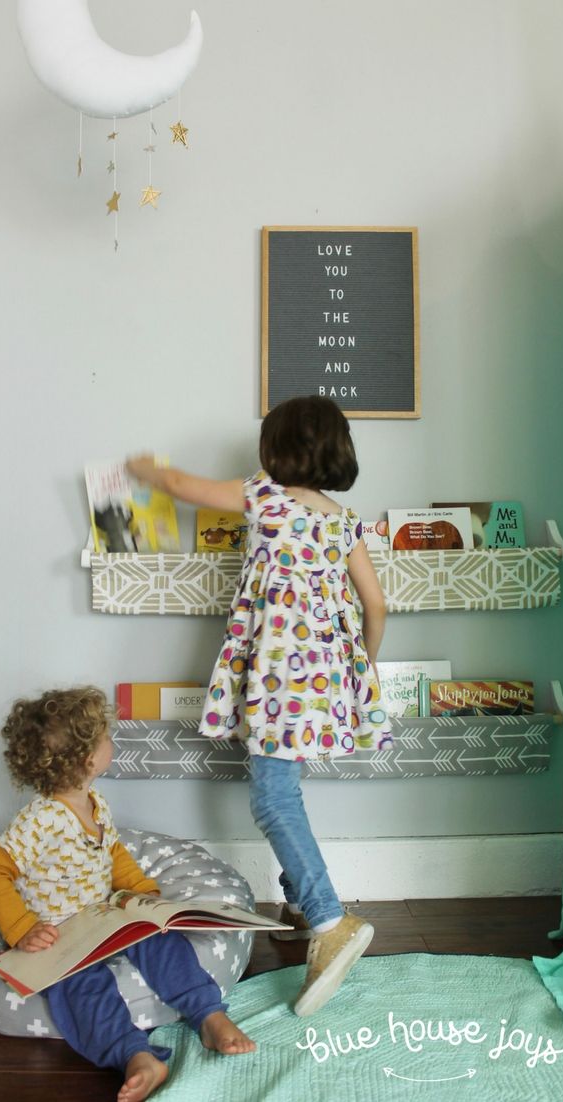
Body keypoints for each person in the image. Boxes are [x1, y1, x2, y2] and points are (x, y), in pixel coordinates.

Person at [126, 395, 392, 1018]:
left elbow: (185, 485)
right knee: (285, 783)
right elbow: (376, 606)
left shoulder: (264, 498)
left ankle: (330, 920)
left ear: (274, 453)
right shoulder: (345, 521)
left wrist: (146, 471)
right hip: (324, 674)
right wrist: (363, 663)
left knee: (272, 796)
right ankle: (300, 901)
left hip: (278, 674)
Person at [0, 687, 255, 1102]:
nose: (113, 741)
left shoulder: (94, 802)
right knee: (79, 989)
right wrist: (22, 928)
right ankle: (134, 1055)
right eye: (106, 736)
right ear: (87, 758)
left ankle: (208, 1015)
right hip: (62, 936)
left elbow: (113, 852)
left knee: (164, 944)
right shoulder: (41, 819)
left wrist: (141, 893)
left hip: (105, 917)